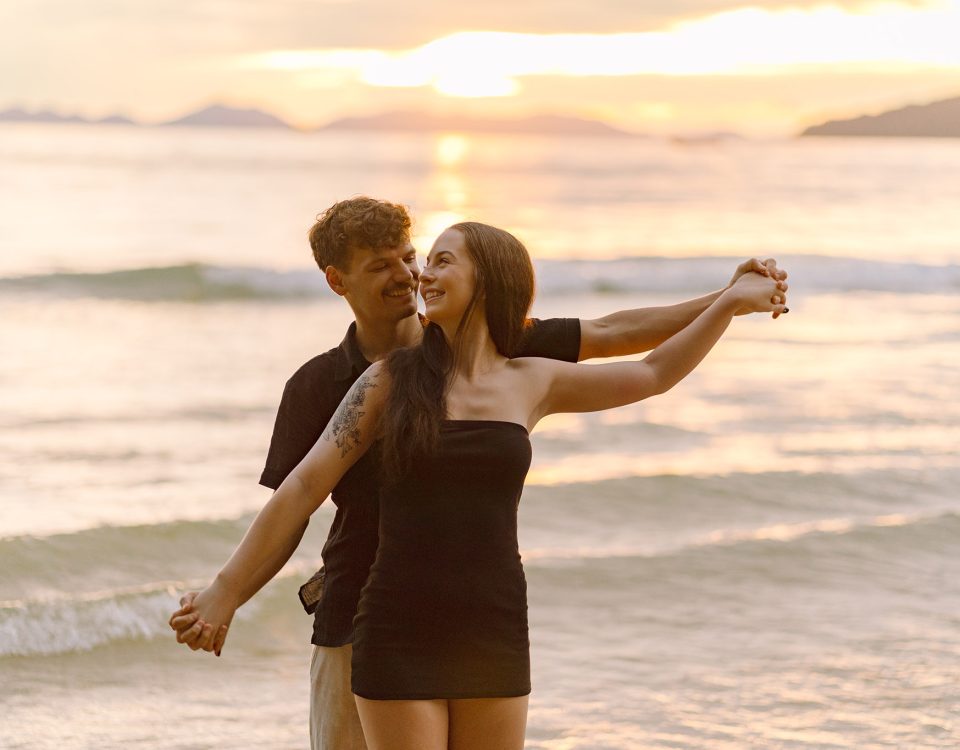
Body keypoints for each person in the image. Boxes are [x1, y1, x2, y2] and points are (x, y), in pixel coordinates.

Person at [169, 198, 788, 749]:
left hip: (486, 617)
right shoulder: (358, 382)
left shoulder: (524, 362)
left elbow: (634, 351)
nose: (413, 275)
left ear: (484, 280)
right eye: (389, 265)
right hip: (367, 609)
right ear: (338, 281)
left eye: (421, 259)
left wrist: (729, 298)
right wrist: (227, 592)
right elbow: (300, 492)